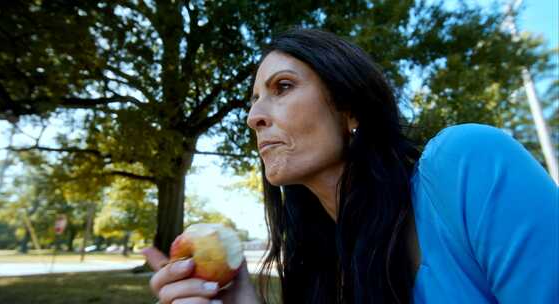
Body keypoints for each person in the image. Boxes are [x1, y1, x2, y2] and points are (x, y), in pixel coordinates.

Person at [143, 29, 558, 304]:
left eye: (282, 87)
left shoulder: (467, 164)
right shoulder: (322, 266)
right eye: (253, 101)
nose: (254, 117)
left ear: (351, 109)